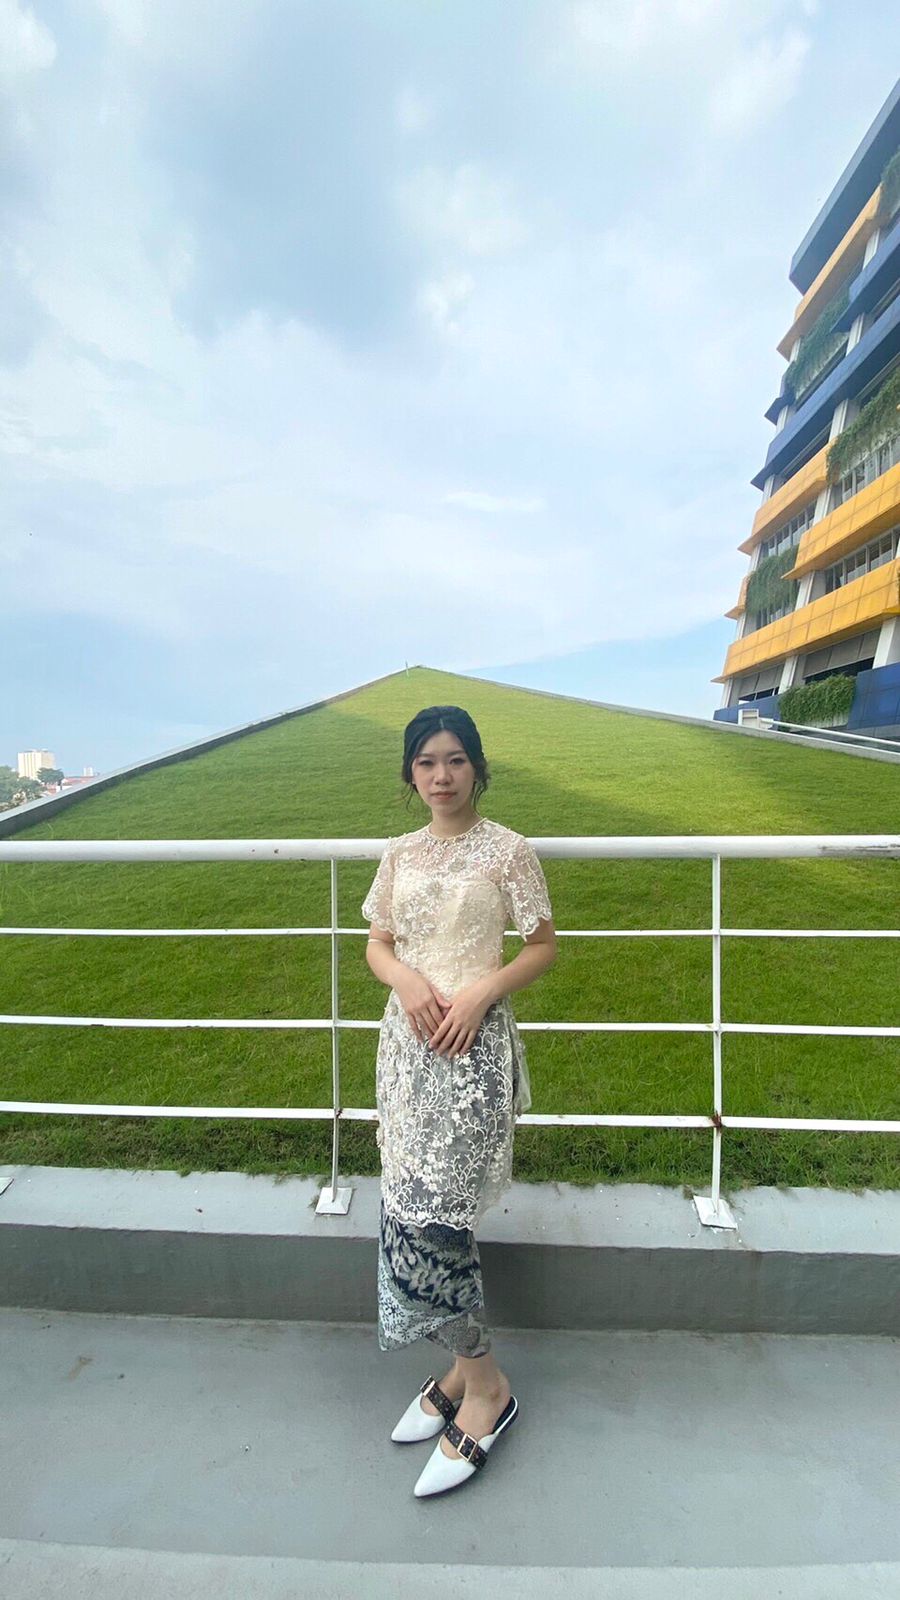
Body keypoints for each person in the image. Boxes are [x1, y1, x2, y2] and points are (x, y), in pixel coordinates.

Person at [361, 704, 556, 1497]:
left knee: (437, 1223)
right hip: (407, 1054)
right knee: (407, 1208)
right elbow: (377, 943)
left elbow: (541, 946)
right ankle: (464, 1370)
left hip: (471, 1057)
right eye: (426, 763)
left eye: (455, 760)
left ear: (477, 766)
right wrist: (406, 980)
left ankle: (486, 1390)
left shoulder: (509, 850)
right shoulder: (399, 853)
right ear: (410, 775)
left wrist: (481, 991)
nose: (441, 776)